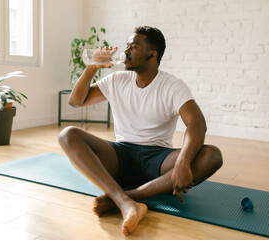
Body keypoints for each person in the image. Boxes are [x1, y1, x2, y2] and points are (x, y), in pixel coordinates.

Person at [58, 26, 223, 236]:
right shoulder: (117, 80)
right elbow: (76, 101)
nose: (126, 51)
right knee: (67, 135)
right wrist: (92, 68)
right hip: (120, 155)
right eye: (127, 46)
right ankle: (124, 202)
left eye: (134, 47)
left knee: (212, 155)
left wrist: (183, 161)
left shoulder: (172, 85)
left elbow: (197, 123)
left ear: (152, 54)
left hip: (158, 158)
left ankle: (126, 197)